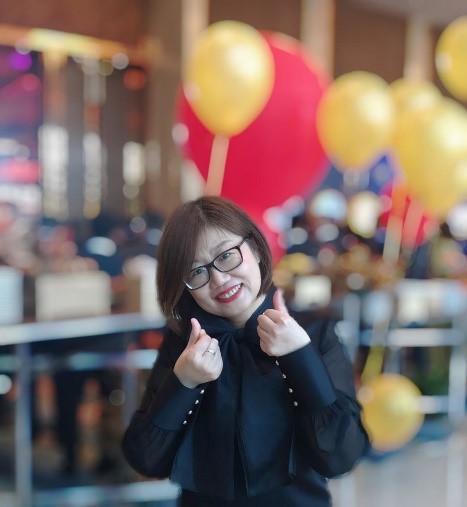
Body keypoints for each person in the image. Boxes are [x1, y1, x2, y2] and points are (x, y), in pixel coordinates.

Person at [121, 196, 369, 506]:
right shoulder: (186, 345)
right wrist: (183, 383)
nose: (219, 279)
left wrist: (299, 356)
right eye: (196, 272)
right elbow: (146, 460)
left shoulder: (314, 332)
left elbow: (342, 457)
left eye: (226, 256)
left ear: (255, 248)